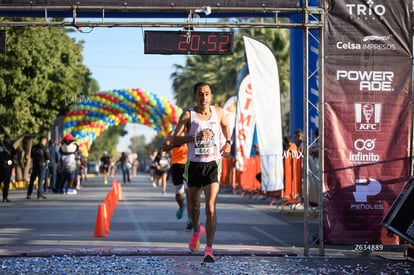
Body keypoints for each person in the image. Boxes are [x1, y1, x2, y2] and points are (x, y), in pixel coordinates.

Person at [172, 82, 231, 263]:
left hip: (213, 164)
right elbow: (175, 139)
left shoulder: (218, 112)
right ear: (194, 97)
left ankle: (209, 249)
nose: (203, 97)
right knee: (195, 207)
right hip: (194, 166)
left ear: (211, 96)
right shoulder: (188, 115)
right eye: (200, 94)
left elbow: (226, 126)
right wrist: (194, 137)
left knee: (210, 207)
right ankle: (197, 230)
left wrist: (228, 142)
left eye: (206, 94)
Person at [162, 130, 193, 230]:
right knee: (179, 195)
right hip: (176, 166)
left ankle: (190, 219)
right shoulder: (172, 134)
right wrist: (175, 144)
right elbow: (164, 148)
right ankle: (181, 206)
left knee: (189, 194)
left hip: (189, 165)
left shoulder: (192, 132)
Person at [0, 135, 17, 202]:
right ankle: (5, 198)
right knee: (6, 183)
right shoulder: (10, 146)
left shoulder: (2, 145)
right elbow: (15, 156)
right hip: (7, 167)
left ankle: (5, 198)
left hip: (1, 166)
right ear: (8, 139)